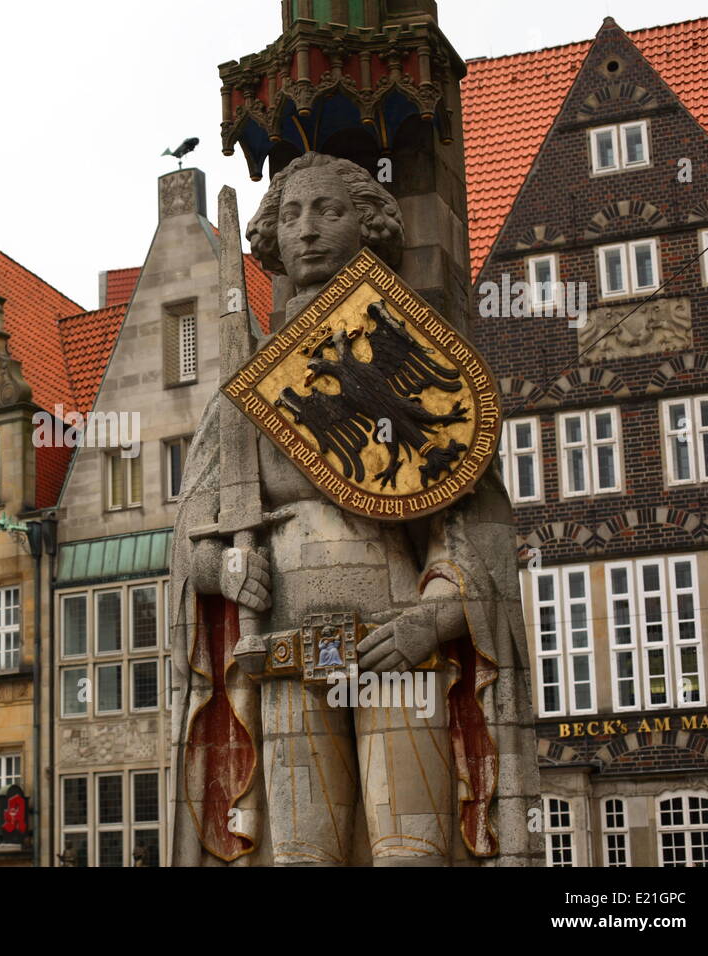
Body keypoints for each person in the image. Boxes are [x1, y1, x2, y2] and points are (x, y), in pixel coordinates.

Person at [168, 152, 539, 867]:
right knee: (300, 854)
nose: (308, 230)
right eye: (294, 215)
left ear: (366, 227)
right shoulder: (247, 391)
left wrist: (434, 619)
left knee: (410, 851)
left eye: (329, 211)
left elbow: (470, 530)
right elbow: (188, 537)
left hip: (397, 637)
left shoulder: (412, 358)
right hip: (281, 646)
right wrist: (224, 565)